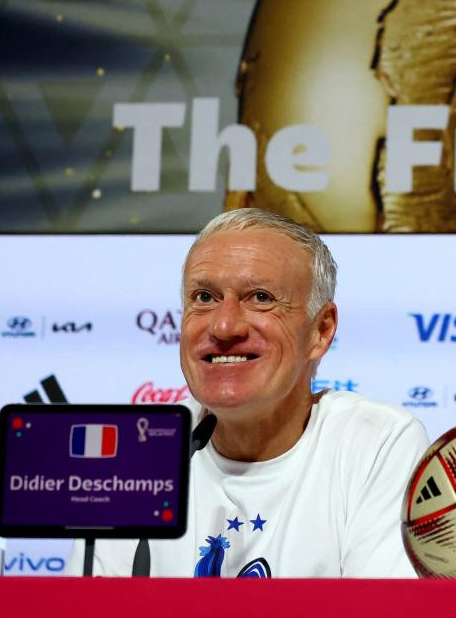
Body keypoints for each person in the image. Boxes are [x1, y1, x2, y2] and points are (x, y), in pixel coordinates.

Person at [67, 208, 429, 577]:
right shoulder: (139, 452)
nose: (224, 326)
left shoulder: (375, 443)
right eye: (204, 297)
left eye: (260, 297)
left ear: (321, 331)